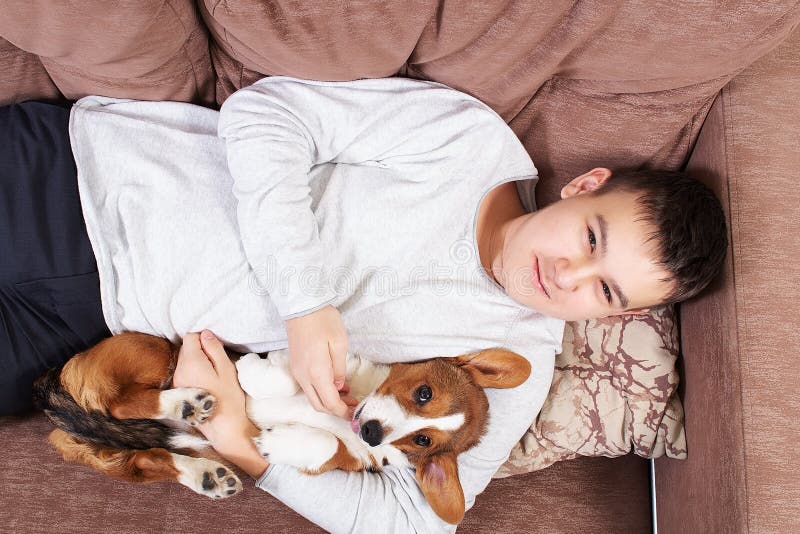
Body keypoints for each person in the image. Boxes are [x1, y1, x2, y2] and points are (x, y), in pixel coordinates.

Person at [0, 76, 727, 532]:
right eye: (591, 237)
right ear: (583, 186)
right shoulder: (467, 141)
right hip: (75, 174)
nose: (566, 276)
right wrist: (305, 301)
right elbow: (264, 114)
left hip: (89, 326)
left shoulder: (515, 364)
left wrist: (243, 448)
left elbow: (414, 523)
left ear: (612, 317)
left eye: (603, 292)